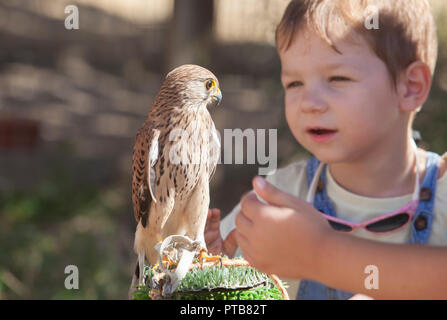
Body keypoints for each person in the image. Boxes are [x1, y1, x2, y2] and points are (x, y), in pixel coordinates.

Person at [205, 0, 447, 300]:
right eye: (294, 84)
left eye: (337, 78)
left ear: (410, 86)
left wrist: (319, 255)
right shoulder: (278, 199)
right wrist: (210, 272)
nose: (309, 103)